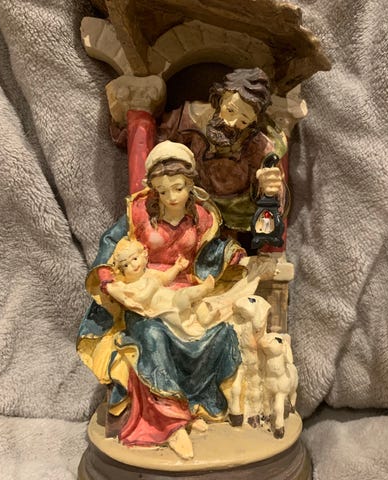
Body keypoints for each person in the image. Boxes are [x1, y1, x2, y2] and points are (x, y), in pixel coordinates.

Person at [77, 141, 247, 459]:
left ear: (190, 184)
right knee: (153, 337)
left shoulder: (202, 217)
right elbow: (111, 244)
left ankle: (193, 404)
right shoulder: (139, 212)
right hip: (143, 297)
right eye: (163, 190)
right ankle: (169, 425)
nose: (171, 197)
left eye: (178, 188)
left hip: (184, 296)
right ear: (154, 189)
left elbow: (208, 251)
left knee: (218, 334)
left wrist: (230, 254)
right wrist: (108, 277)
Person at [158, 67, 287, 235]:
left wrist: (270, 190)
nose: (231, 123)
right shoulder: (189, 119)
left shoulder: (259, 145)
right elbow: (158, 142)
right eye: (230, 110)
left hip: (235, 212)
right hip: (189, 200)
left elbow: (275, 199)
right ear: (220, 98)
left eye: (243, 121)